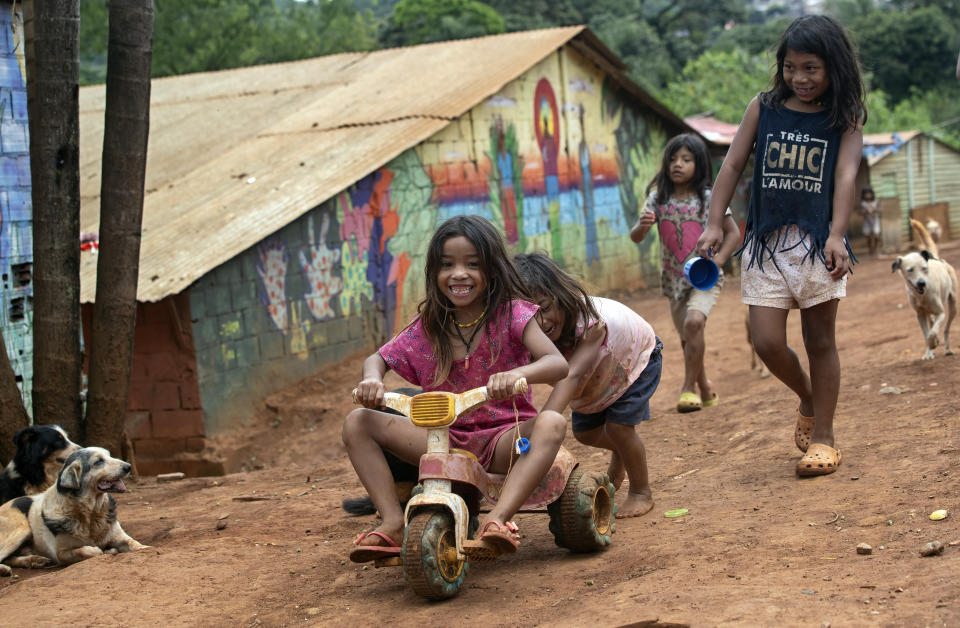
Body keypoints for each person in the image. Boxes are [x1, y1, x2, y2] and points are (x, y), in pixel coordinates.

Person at [697, 15, 866, 477]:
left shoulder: (844, 117)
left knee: (819, 340)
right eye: (791, 67)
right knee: (767, 341)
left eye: (811, 67)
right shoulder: (764, 107)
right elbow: (731, 166)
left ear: (833, 67)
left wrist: (836, 234)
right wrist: (715, 222)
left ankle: (825, 438)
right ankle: (808, 397)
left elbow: (846, 176)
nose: (799, 78)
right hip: (766, 243)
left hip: (817, 245)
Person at [343, 215, 569, 561]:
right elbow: (379, 358)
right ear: (435, 272)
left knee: (552, 423)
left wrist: (518, 373)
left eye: (472, 264)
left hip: (504, 437)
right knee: (358, 421)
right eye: (447, 264)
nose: (459, 274)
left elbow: (557, 363)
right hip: (441, 439)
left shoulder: (513, 316)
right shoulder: (429, 327)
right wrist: (372, 379)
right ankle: (392, 521)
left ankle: (497, 519)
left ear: (492, 270)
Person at [515, 252, 662, 519]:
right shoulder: (523, 334)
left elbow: (570, 376)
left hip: (633, 359)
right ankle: (621, 449)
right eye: (528, 315)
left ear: (561, 296)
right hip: (596, 378)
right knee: (586, 433)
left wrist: (541, 428)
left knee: (619, 427)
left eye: (545, 308)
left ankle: (641, 491)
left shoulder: (590, 323)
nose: (541, 322)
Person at [629, 133, 741, 414]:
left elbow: (733, 233)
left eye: (686, 159)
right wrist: (643, 226)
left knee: (693, 324)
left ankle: (687, 389)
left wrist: (720, 262)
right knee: (687, 337)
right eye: (673, 159)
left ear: (699, 164)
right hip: (673, 279)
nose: (678, 164)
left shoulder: (709, 198)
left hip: (705, 276)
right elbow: (636, 237)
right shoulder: (658, 198)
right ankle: (704, 385)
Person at [859, 186, 880, 256]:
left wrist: (874, 209)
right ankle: (870, 249)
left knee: (876, 236)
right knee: (868, 237)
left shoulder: (875, 202)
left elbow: (879, 210)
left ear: (872, 194)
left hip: (875, 221)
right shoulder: (863, 203)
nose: (868, 195)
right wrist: (865, 211)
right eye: (866, 194)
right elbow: (860, 212)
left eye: (869, 193)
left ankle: (875, 248)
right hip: (867, 222)